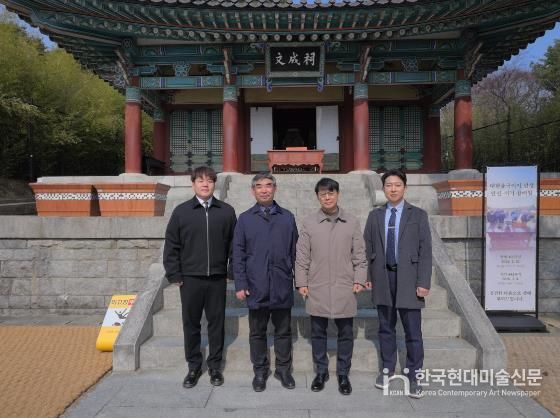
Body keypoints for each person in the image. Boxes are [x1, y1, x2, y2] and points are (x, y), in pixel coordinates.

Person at [163, 166, 237, 389]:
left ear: (215, 184)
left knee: (216, 323)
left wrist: (231, 271)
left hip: (216, 278)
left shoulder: (226, 211)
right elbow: (172, 245)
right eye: (201, 180)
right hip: (190, 278)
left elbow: (235, 245)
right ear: (193, 184)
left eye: (210, 181)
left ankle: (215, 366)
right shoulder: (181, 212)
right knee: (191, 323)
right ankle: (194, 366)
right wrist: (174, 273)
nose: (205, 184)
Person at [363, 169, 432, 399]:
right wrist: (368, 276)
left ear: (405, 187)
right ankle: (387, 369)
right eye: (388, 185)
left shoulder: (418, 215)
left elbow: (425, 251)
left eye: (397, 185)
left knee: (413, 331)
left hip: (409, 280)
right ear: (383, 189)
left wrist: (423, 281)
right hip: (383, 278)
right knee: (385, 327)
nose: (393, 189)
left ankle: (414, 374)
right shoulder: (375, 216)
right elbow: (368, 248)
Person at [295, 177, 368, 396]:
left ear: (338, 194)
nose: (327, 197)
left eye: (331, 193)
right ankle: (321, 371)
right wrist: (301, 282)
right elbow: (302, 256)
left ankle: (343, 373)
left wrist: (359, 279)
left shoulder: (351, 222)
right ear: (317, 197)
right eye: (323, 194)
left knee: (345, 333)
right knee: (318, 333)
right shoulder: (309, 223)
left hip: (344, 285)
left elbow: (360, 255)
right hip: (317, 286)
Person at [233, 173, 298, 392]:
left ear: (275, 189)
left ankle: (283, 370)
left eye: (268, 185)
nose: (264, 190)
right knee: (257, 332)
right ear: (253, 191)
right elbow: (238, 254)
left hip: (281, 283)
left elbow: (295, 252)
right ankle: (260, 371)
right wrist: (240, 283)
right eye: (259, 186)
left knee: (283, 331)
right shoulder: (245, 219)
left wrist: (300, 281)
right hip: (255, 284)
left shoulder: (287, 217)